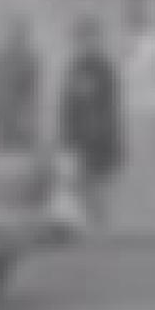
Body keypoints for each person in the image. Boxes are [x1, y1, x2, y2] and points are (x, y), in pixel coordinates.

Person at [58, 17, 124, 223]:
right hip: (79, 140)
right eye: (81, 39)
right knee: (81, 189)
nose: (84, 44)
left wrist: (99, 131)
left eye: (88, 38)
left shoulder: (103, 69)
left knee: (97, 188)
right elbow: (67, 106)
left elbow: (108, 106)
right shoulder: (75, 68)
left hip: (99, 141)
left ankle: (99, 228)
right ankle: (89, 227)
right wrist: (66, 137)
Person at [0, 19, 42, 152]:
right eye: (14, 33)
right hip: (0, 120)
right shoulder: (0, 59)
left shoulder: (29, 61)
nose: (16, 38)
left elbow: (31, 95)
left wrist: (27, 119)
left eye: (19, 34)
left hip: (18, 122)